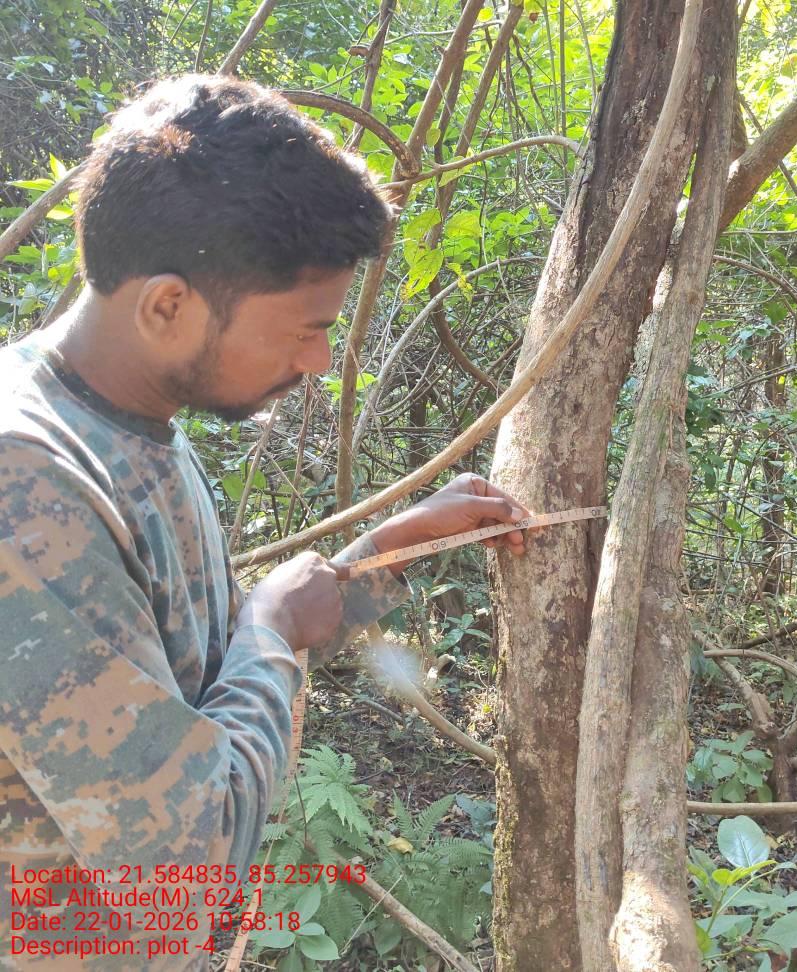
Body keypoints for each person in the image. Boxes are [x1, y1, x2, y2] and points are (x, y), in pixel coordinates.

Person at [0, 74, 528, 969]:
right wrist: (274, 628)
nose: (319, 360)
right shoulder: (27, 483)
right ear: (167, 306)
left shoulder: (125, 422)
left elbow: (182, 675)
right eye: (301, 330)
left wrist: (370, 565)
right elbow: (188, 867)